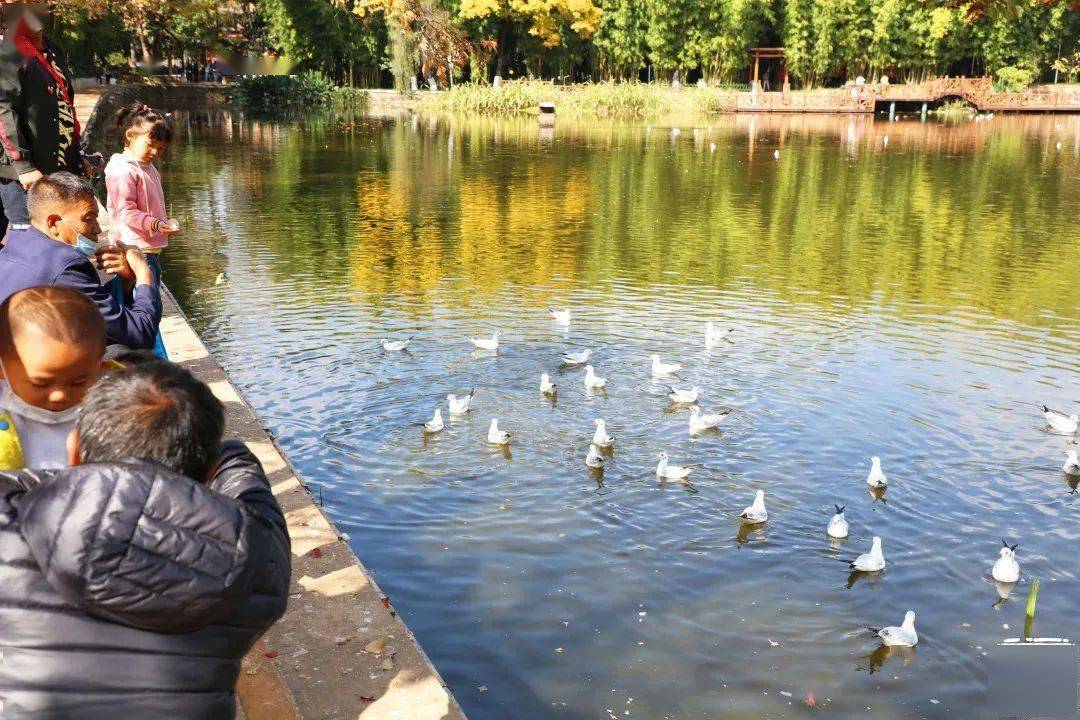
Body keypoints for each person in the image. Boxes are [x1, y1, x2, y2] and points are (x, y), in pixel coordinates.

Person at [0, 358, 291, 718]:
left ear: (73, 449)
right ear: (210, 472)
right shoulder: (258, 561)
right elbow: (247, 481)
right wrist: (223, 451)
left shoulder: (10, 525)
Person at [0, 172, 162, 350]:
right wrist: (143, 273)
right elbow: (141, 333)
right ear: (54, 222)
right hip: (26, 374)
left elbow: (88, 299)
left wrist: (125, 281)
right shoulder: (66, 266)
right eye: (88, 218)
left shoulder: (15, 244)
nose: (98, 229)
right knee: (119, 352)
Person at [0, 1, 86, 236]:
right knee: (29, 242)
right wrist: (24, 165)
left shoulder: (53, 50)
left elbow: (62, 105)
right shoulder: (9, 50)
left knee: (57, 239)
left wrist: (76, 155)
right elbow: (4, 108)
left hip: (57, 169)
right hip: (25, 174)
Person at [0, 286, 107, 470]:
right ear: (2, 369)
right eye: (40, 383)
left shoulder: (118, 406)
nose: (60, 395)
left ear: (100, 364)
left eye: (78, 382)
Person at [106, 103, 178, 358]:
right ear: (130, 137)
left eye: (160, 149)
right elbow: (126, 211)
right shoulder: (123, 170)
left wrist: (164, 222)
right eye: (150, 145)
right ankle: (152, 358)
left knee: (149, 306)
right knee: (144, 307)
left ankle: (150, 357)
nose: (155, 152)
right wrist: (157, 224)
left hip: (148, 248)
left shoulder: (147, 168)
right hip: (135, 249)